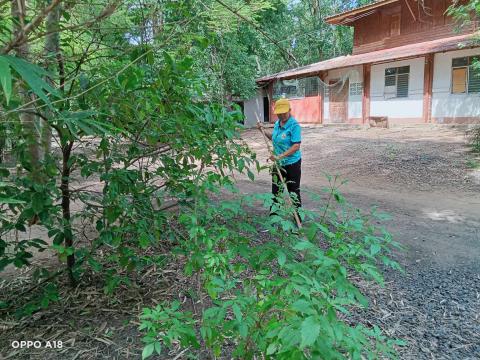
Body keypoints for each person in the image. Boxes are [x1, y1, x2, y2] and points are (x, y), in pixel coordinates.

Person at [259, 98, 302, 212]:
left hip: (292, 164)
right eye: (279, 113)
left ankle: (297, 220)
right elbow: (274, 138)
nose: (281, 115)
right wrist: (262, 130)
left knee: (293, 192)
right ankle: (274, 220)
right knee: (276, 192)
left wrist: (279, 156)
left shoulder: (294, 125)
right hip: (278, 163)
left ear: (289, 110)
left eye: (284, 112)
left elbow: (296, 146)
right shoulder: (278, 123)